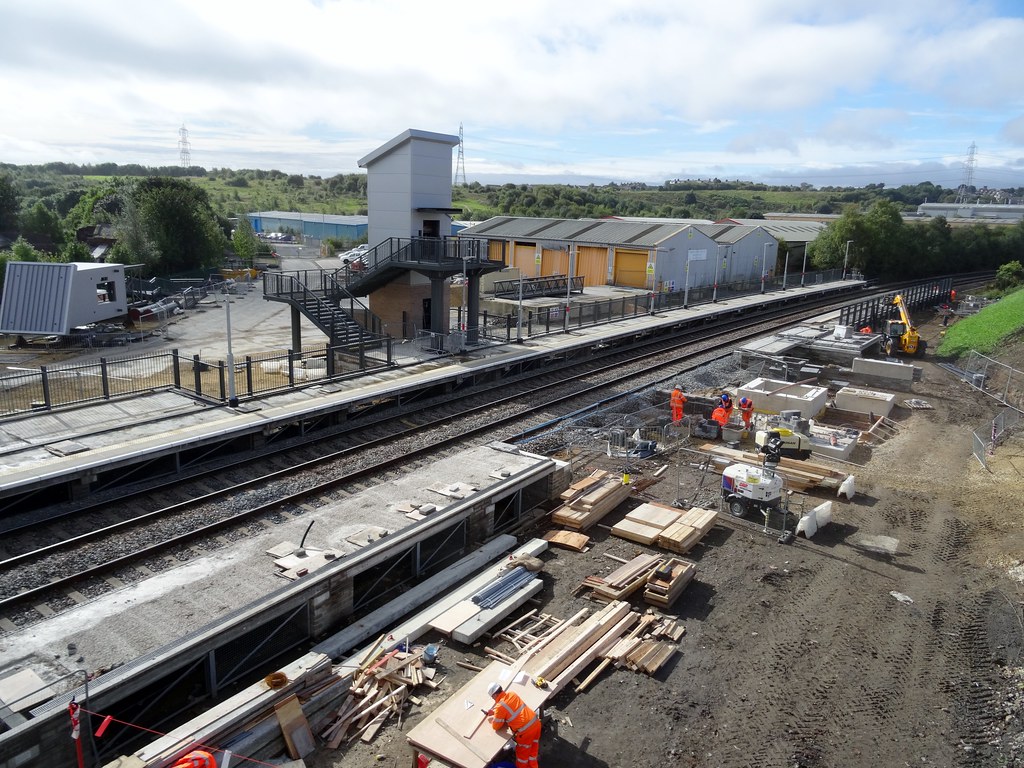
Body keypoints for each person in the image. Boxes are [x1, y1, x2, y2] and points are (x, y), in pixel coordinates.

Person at [486, 682, 541, 768]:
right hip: (536, 723)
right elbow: (512, 709)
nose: (493, 699)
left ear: (495, 695)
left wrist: (494, 716)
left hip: (526, 732)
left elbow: (496, 726)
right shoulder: (512, 694)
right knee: (532, 753)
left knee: (522, 758)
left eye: (492, 697)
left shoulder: (500, 706)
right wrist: (495, 712)